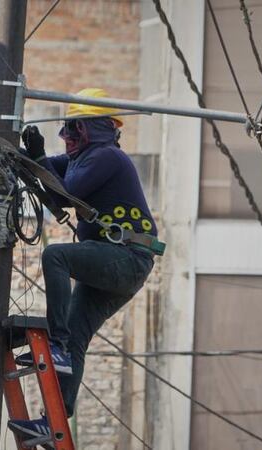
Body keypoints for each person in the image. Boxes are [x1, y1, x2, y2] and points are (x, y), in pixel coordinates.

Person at [8, 88, 158, 440]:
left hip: (127, 259)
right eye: (67, 130)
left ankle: (56, 345)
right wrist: (23, 151)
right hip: (115, 265)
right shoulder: (79, 160)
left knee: (56, 255)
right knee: (78, 334)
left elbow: (65, 192)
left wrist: (40, 155)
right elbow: (45, 177)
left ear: (95, 130)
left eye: (75, 130)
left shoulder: (107, 157)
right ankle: (56, 420)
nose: (68, 138)